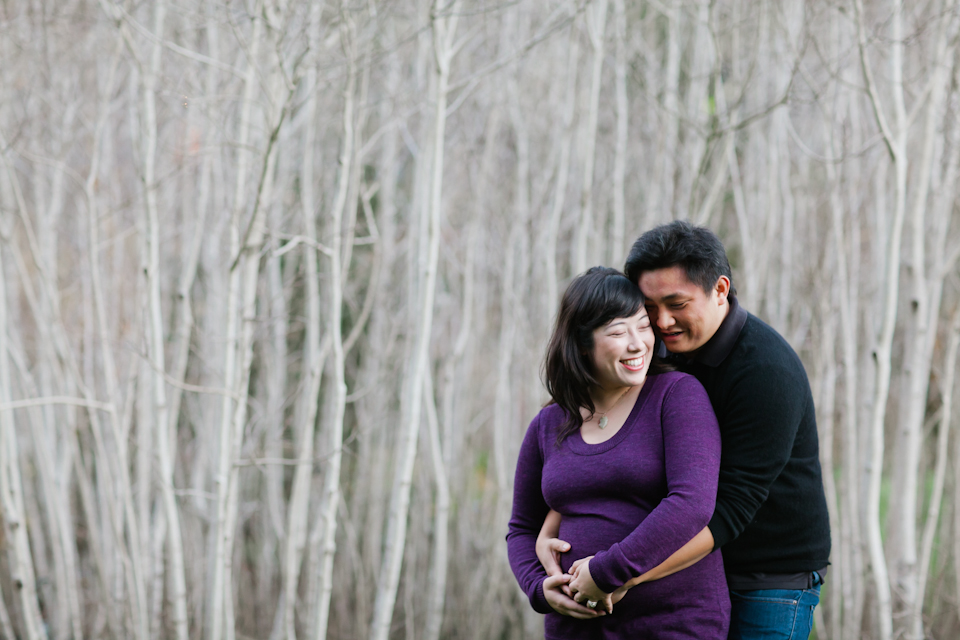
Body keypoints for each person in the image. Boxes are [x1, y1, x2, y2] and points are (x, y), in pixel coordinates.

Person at [604, 221, 829, 639]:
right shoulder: (658, 352)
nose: (663, 321)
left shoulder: (765, 370)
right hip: (691, 570)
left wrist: (624, 574)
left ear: (720, 289)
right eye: (649, 308)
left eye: (677, 304)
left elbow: (730, 509)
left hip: (768, 578)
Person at [506, 266, 730, 639]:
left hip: (674, 622)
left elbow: (692, 503)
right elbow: (522, 528)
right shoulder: (548, 424)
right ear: (581, 344)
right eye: (617, 332)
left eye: (643, 326)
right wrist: (537, 588)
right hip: (574, 629)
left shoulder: (675, 396)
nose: (637, 342)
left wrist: (606, 571)